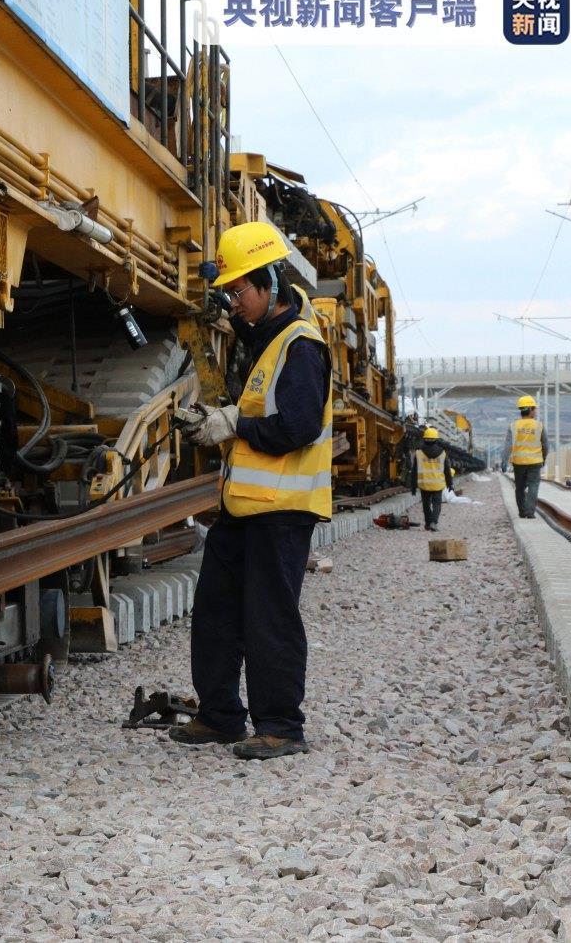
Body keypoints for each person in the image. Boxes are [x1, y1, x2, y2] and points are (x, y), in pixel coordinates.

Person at [170, 221, 332, 761]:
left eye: (240, 290)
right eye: (230, 292)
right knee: (215, 612)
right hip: (243, 506)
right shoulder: (266, 335)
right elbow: (249, 357)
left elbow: (298, 426)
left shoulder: (301, 346)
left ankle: (281, 727)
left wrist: (231, 423)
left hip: (283, 509)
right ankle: (220, 717)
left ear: (271, 282)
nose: (235, 302)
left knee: (270, 618)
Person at [508, 395, 546, 518]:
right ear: (530, 409)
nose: (535, 411)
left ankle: (522, 512)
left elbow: (507, 445)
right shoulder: (539, 425)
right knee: (533, 486)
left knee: (519, 487)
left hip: (518, 462)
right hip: (535, 461)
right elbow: (545, 444)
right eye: (534, 408)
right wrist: (544, 458)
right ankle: (530, 512)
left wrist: (504, 460)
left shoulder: (513, 425)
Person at [414, 427, 453, 531]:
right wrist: (450, 484)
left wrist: (413, 485)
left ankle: (427, 524)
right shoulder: (442, 453)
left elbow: (414, 470)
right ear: (436, 440)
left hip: (424, 483)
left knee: (426, 505)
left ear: (424, 439)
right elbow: (447, 470)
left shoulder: (418, 452)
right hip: (437, 484)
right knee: (437, 504)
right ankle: (434, 522)